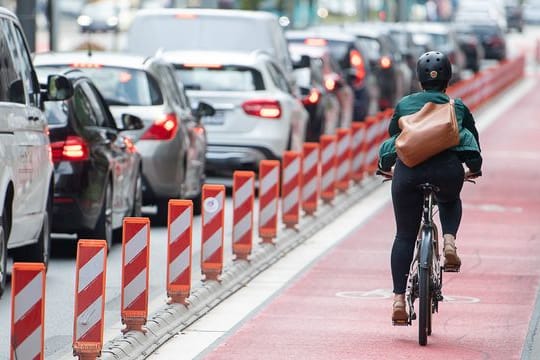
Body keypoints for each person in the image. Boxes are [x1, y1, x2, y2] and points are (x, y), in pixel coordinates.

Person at [377, 51, 482, 324]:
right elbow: (471, 141)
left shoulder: (404, 105)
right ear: (448, 78)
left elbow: (394, 140)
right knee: (449, 200)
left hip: (408, 173)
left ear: (419, 79)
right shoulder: (456, 106)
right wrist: (475, 167)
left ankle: (399, 300)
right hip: (447, 171)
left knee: (403, 236)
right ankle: (449, 242)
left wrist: (385, 165)